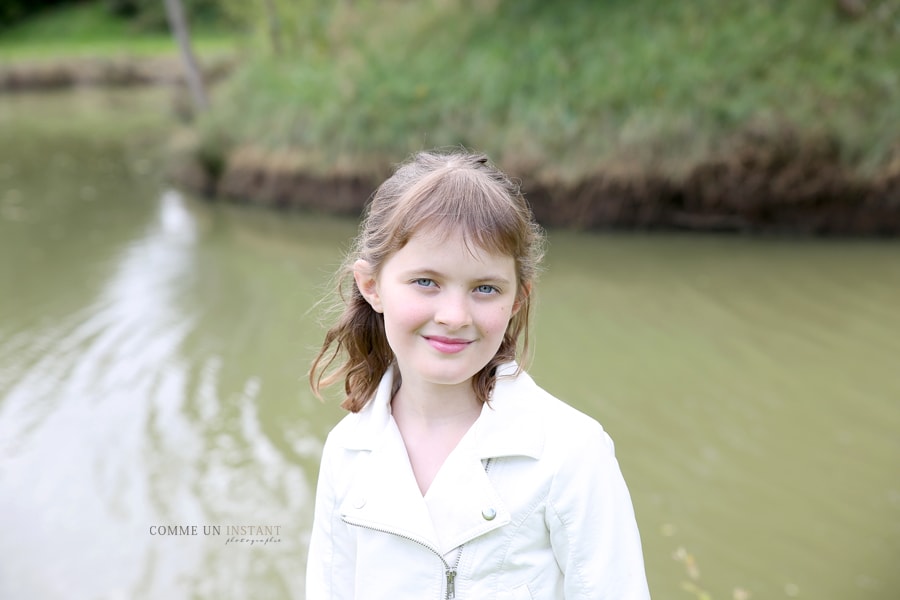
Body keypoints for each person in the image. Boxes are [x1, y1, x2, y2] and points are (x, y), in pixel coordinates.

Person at [306, 150, 650, 599]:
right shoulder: (347, 451)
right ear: (372, 286)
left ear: (517, 299)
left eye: (485, 288)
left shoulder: (572, 453)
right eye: (426, 282)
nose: (454, 316)